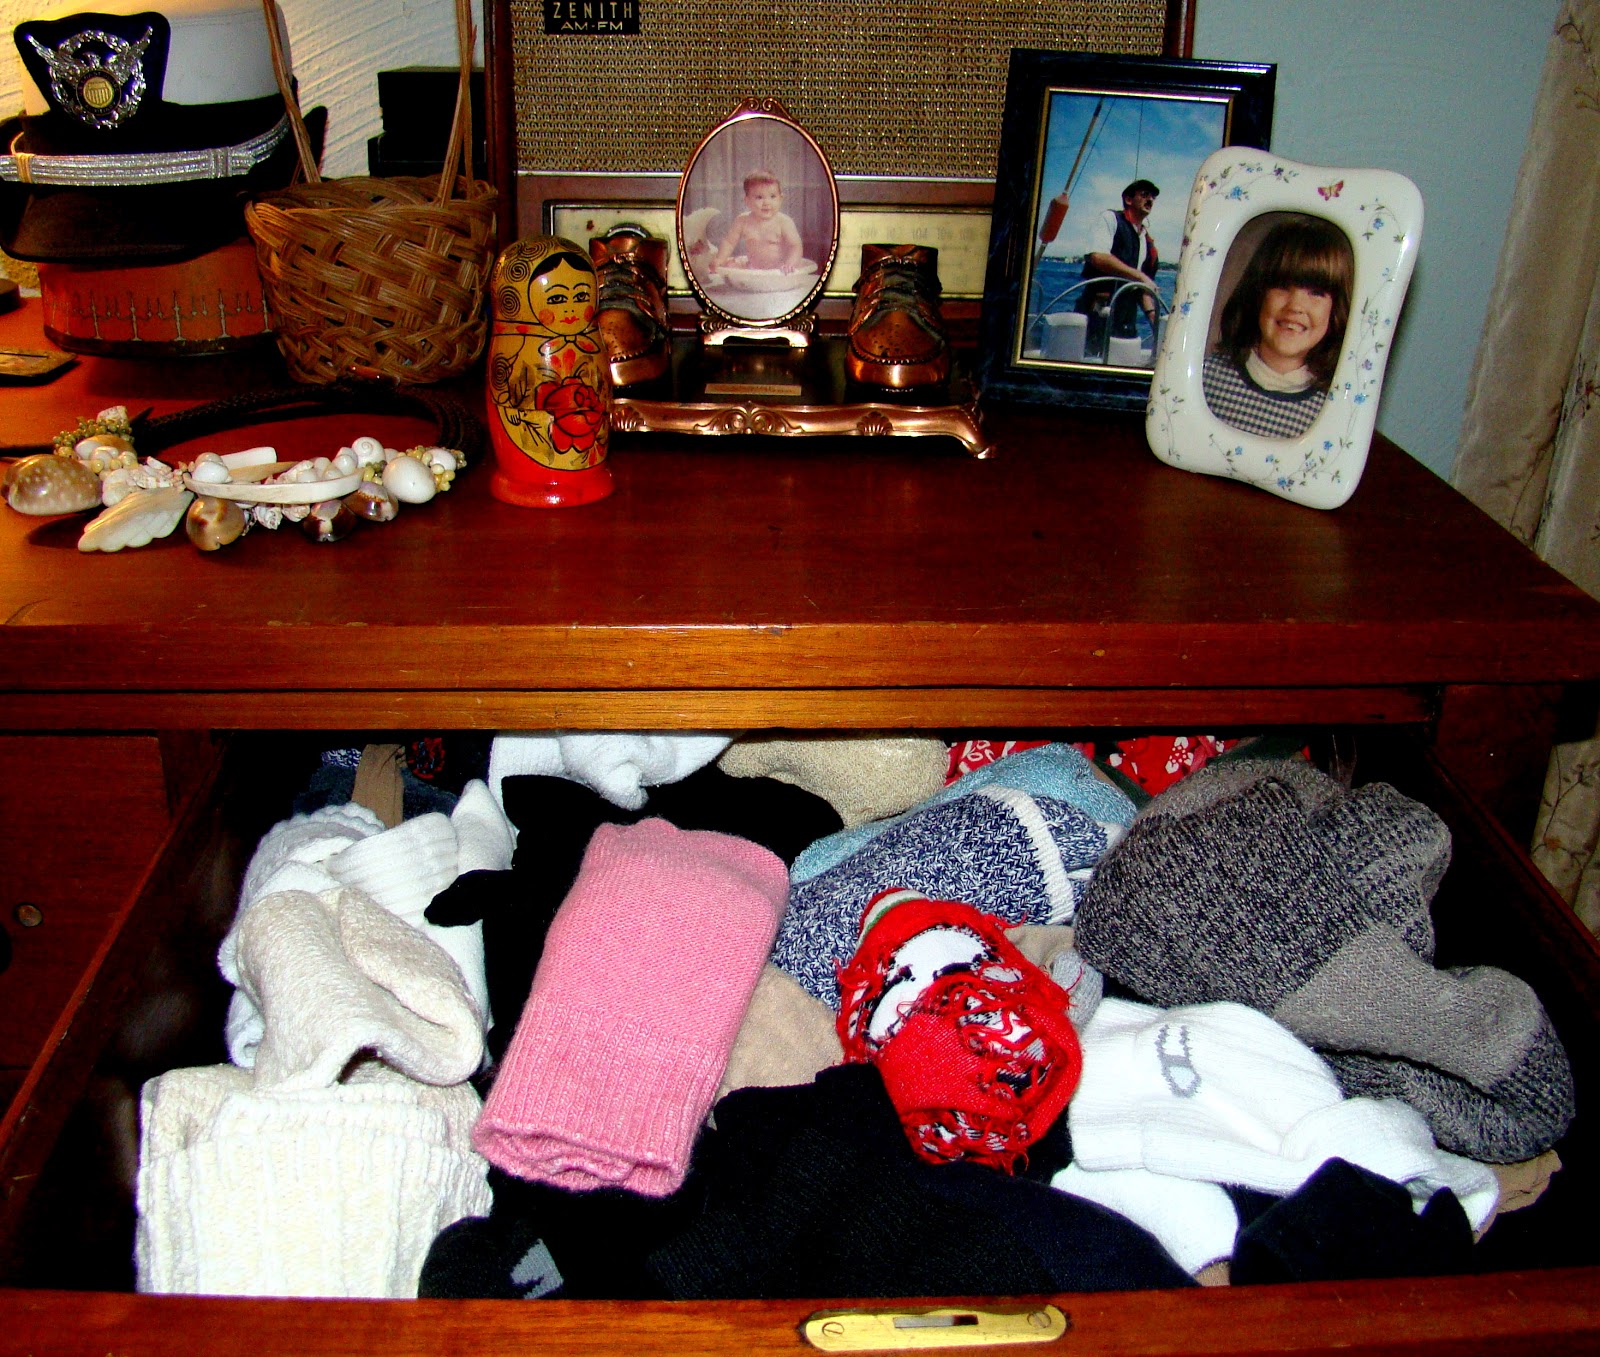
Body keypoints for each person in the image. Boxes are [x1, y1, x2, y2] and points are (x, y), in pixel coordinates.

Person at [1201, 215, 1354, 441]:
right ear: (1258, 293)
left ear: (1336, 310)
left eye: (1316, 293)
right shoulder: (1207, 376)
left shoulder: (1333, 407)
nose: (1295, 306)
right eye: (1282, 286)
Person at [1075, 178, 1161, 358]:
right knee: (1091, 360)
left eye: (1153, 197)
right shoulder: (1110, 219)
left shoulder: (1146, 241)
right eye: (1145, 194)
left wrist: (1153, 317)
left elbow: (1142, 287)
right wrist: (1140, 276)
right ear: (1128, 199)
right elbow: (1098, 256)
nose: (1150, 200)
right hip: (1097, 314)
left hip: (1126, 320)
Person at [714, 169, 804, 274]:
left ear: (780, 199)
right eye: (759, 197)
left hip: (778, 271)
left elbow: (795, 246)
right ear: (747, 201)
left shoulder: (784, 222)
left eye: (772, 196)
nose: (766, 202)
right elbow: (729, 242)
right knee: (730, 265)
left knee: (789, 268)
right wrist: (720, 259)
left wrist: (790, 264)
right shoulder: (742, 220)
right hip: (753, 269)